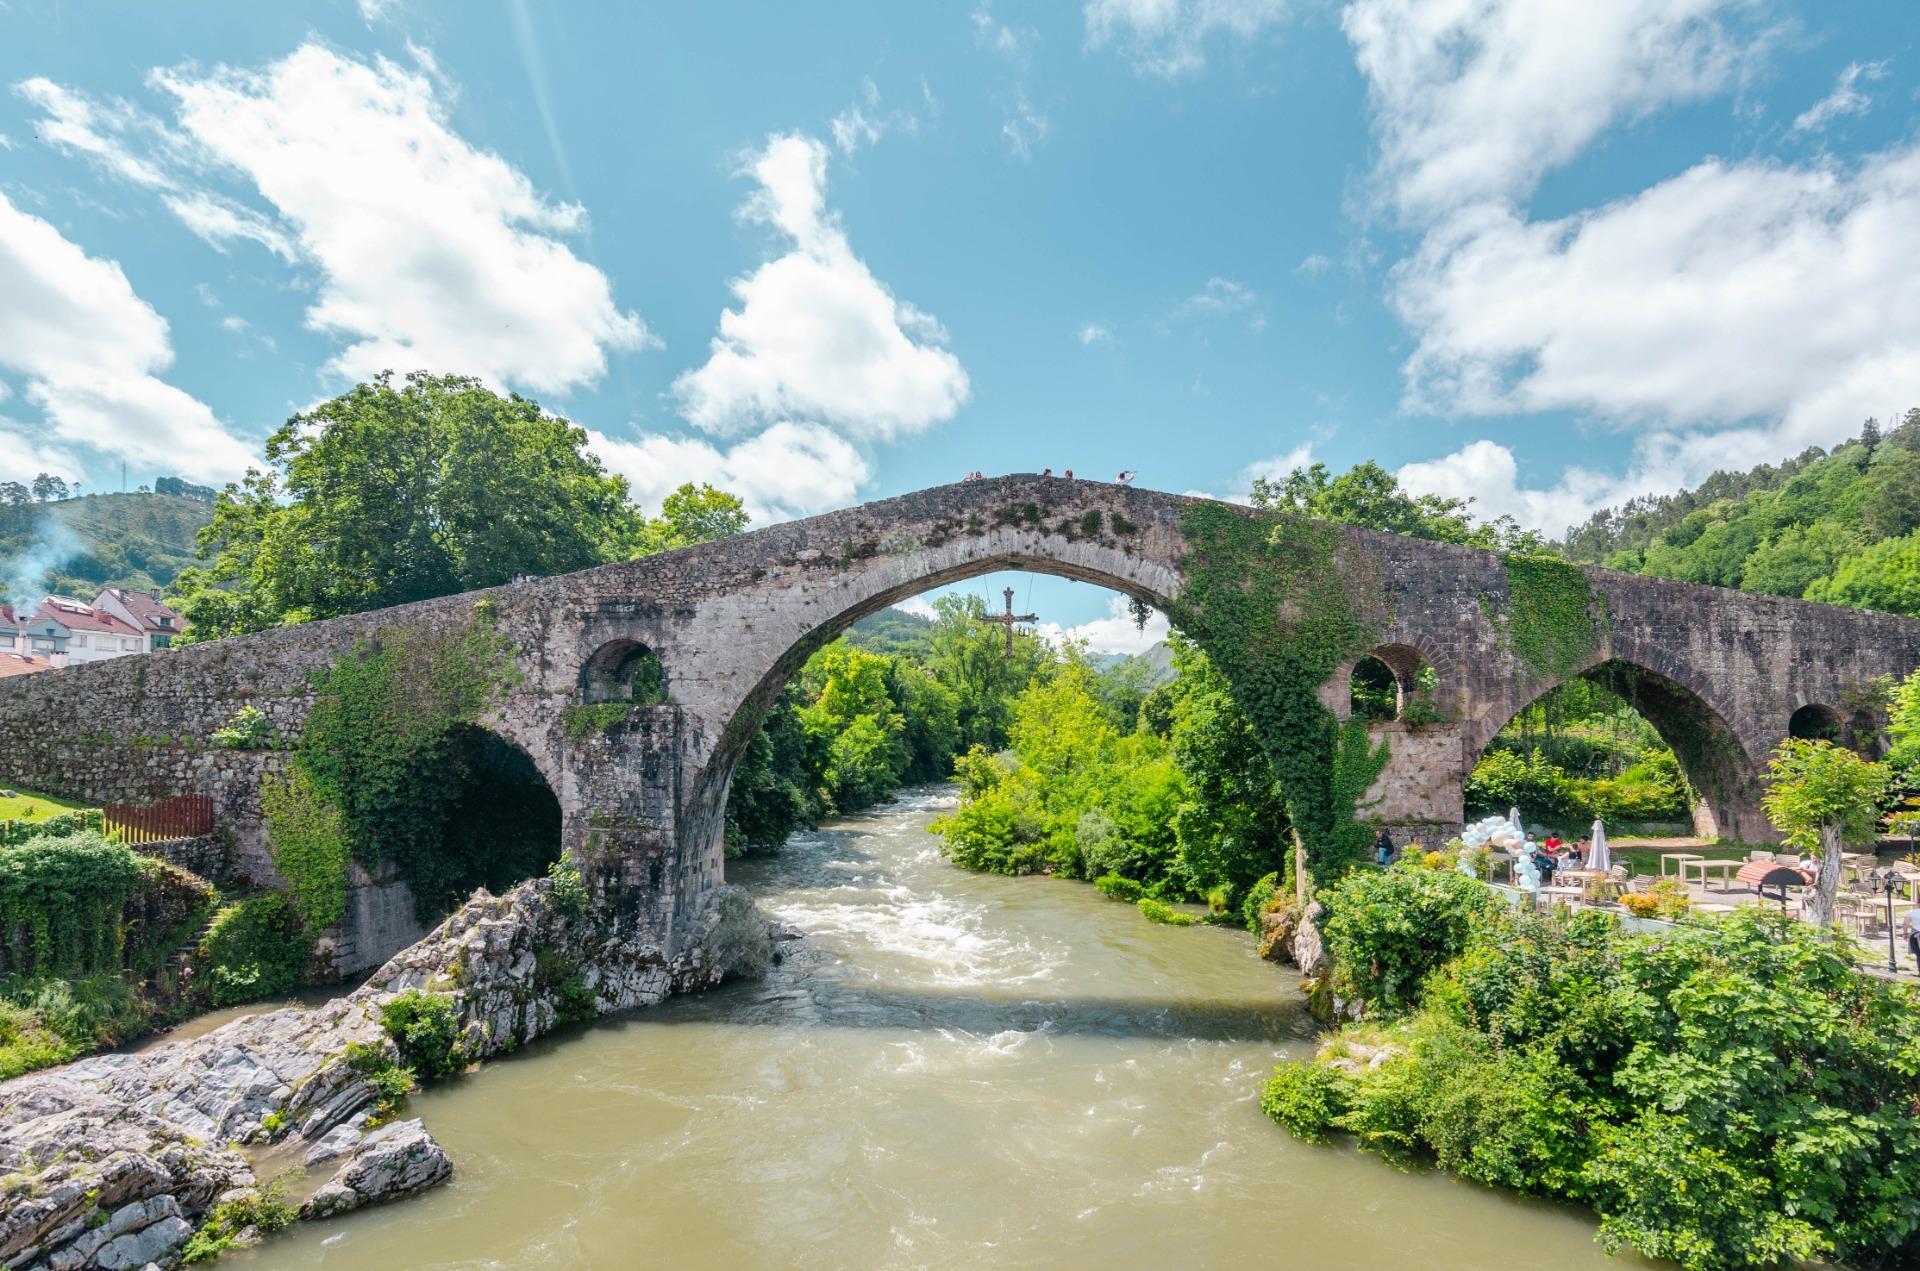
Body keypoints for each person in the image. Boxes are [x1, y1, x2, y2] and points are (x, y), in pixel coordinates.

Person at [1905, 903, 1920, 969]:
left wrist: (1905, 933)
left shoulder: (1910, 912)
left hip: (1915, 934)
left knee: (1918, 953)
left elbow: (1906, 924)